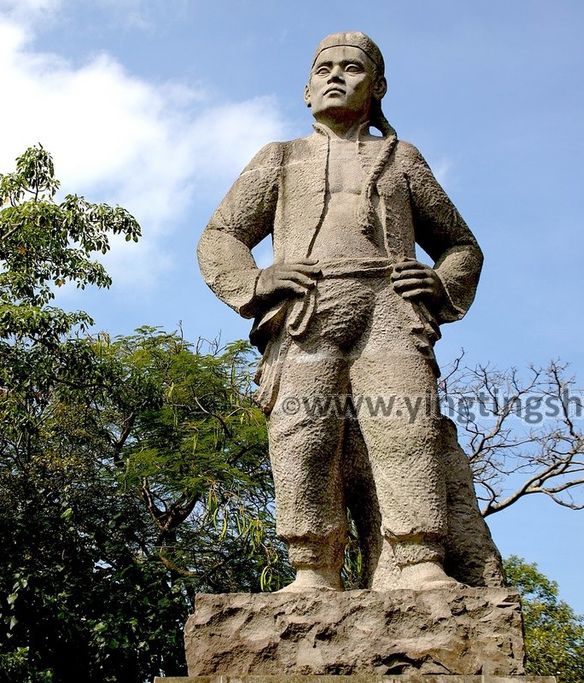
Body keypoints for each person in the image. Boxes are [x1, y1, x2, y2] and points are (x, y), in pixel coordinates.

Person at [198, 31, 489, 591]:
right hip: (309, 308)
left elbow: (461, 246)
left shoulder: (401, 159)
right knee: (302, 433)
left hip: (389, 307)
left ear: (377, 88)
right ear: (306, 90)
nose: (336, 75)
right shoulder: (279, 158)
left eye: (352, 68)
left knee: (407, 427)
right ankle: (312, 566)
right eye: (324, 67)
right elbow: (221, 235)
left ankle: (419, 559)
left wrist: (436, 281)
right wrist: (257, 281)